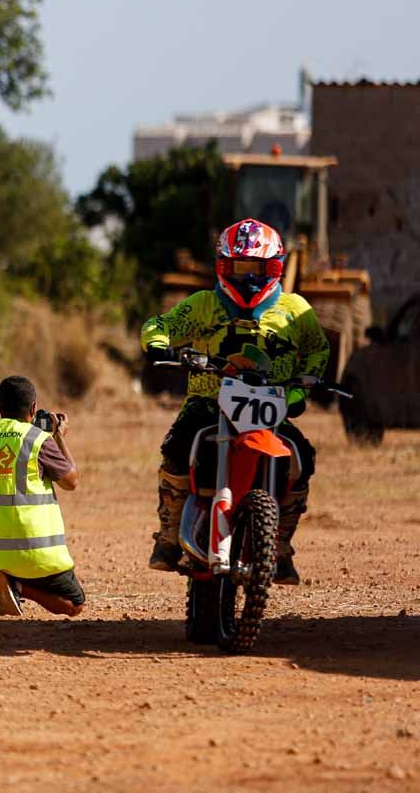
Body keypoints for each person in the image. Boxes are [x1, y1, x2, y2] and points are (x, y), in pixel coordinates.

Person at [140, 218, 330, 583]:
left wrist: (297, 391)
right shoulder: (203, 304)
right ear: (223, 266)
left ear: (275, 267)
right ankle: (168, 535)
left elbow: (317, 349)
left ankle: (281, 544)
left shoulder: (295, 310)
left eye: (259, 268)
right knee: (178, 448)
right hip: (207, 402)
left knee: (301, 459)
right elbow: (161, 324)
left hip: (270, 405)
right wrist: (157, 342)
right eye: (239, 268)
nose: (249, 277)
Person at [0, 376, 86, 618]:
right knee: (74, 604)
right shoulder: (37, 439)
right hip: (29, 550)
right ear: (34, 408)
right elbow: (71, 481)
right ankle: (17, 586)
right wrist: (59, 437)